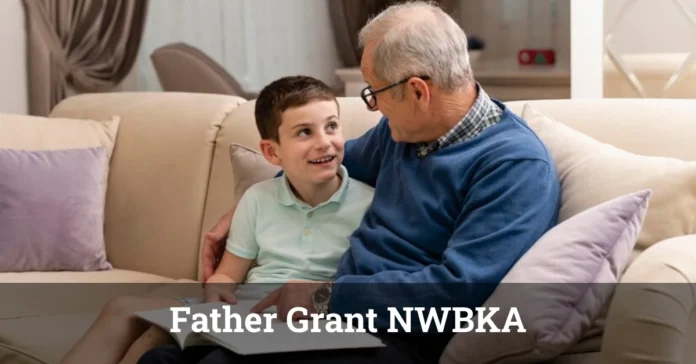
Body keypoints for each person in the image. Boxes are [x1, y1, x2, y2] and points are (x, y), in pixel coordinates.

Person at [139, 1, 562, 363]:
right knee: (162, 358)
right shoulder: (404, 133)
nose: (373, 107)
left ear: (418, 91)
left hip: (399, 340)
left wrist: (326, 297)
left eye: (374, 92)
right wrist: (245, 208)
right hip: (332, 323)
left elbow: (457, 293)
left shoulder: (514, 167)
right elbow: (321, 166)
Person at [60, 75, 374, 364]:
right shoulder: (258, 199)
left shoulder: (368, 204)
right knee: (150, 347)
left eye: (331, 126)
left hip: (305, 321)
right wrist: (216, 290)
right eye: (305, 132)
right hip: (243, 315)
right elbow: (227, 276)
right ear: (272, 152)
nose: (324, 142)